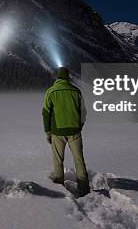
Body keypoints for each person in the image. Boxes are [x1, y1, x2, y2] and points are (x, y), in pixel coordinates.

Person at [42, 66, 90, 197]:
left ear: (56, 77)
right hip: (75, 131)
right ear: (68, 77)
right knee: (79, 159)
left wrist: (48, 132)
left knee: (58, 160)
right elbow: (83, 112)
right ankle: (84, 189)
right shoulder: (76, 91)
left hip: (57, 132)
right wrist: (79, 126)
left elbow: (46, 113)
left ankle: (59, 188)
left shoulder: (51, 92)